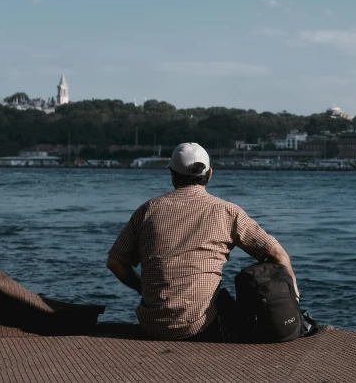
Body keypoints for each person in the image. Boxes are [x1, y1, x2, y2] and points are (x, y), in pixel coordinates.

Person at [106, 142, 298, 341]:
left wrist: (141, 288)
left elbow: (115, 262)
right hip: (202, 325)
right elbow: (277, 254)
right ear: (210, 173)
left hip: (151, 325)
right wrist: (295, 296)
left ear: (172, 174)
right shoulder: (227, 212)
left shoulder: (148, 210)